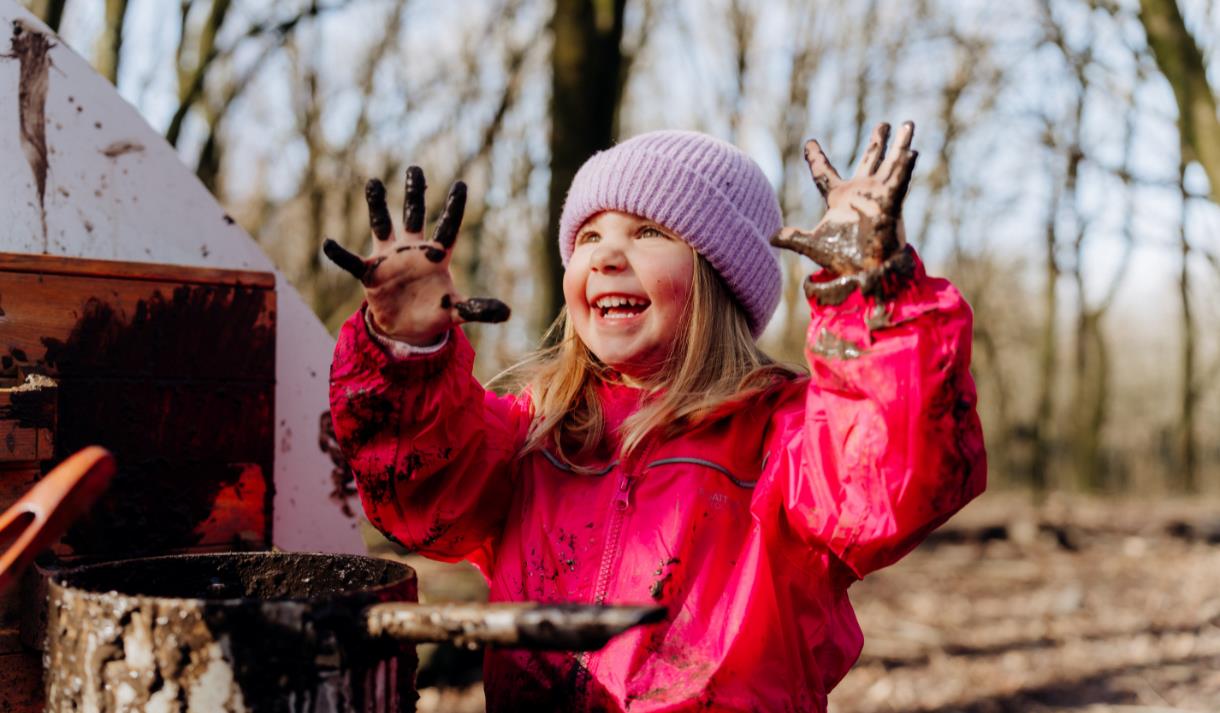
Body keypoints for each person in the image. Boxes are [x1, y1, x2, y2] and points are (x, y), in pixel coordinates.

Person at [325, 123, 986, 712]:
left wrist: (870, 296)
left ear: (718, 276)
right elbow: (421, 493)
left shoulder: (781, 436)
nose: (607, 254)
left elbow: (895, 473)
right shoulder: (537, 431)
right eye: (588, 235)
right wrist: (408, 353)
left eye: (649, 231)